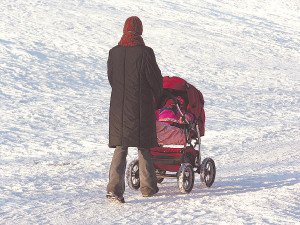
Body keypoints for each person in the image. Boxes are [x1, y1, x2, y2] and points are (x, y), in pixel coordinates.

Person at [106, 16, 163, 203]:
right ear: (140, 30)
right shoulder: (145, 52)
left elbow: (112, 79)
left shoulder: (113, 52)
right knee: (144, 147)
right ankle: (148, 188)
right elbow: (155, 81)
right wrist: (159, 96)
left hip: (118, 110)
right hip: (141, 108)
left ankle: (114, 189)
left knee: (121, 147)